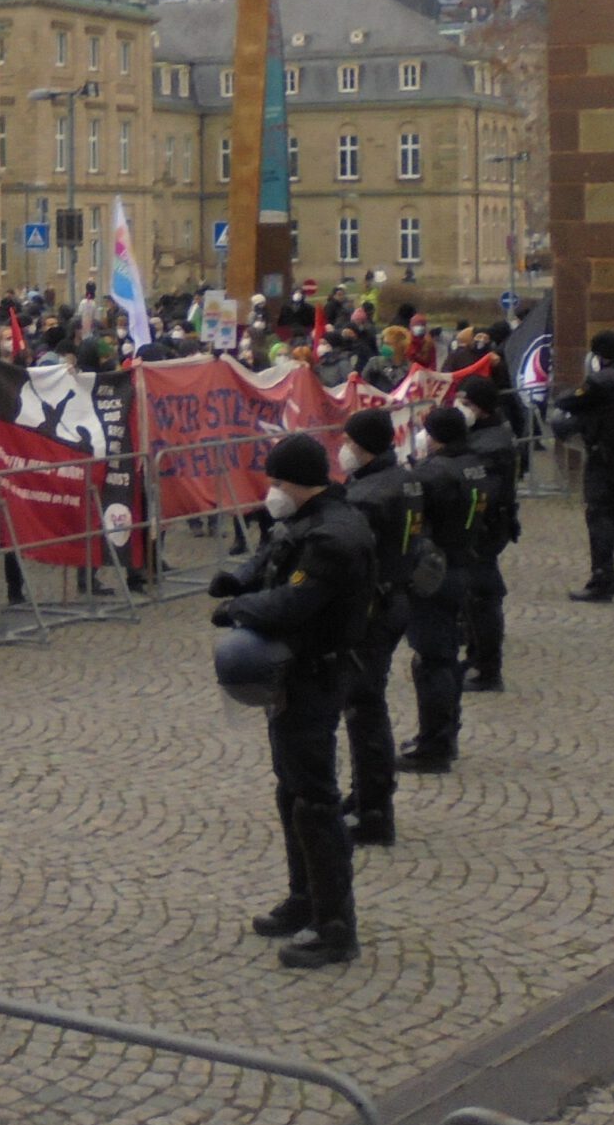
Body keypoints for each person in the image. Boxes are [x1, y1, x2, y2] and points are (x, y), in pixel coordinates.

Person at [210, 434, 375, 971]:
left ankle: (334, 926)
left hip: (317, 674)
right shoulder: (307, 521)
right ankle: (303, 899)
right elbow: (272, 557)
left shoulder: (335, 535)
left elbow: (297, 598)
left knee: (315, 802)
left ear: (297, 481)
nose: (271, 490)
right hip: (295, 675)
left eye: (276, 481)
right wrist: (236, 578)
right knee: (292, 793)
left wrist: (241, 608)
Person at [335, 410, 420, 848]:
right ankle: (365, 795)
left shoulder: (368, 496)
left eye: (347, 439)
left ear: (364, 444)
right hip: (397, 595)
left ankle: (374, 812)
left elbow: (349, 558)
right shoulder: (404, 478)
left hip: (373, 608)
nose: (342, 446)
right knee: (365, 706)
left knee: (364, 710)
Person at [401, 406, 492, 778]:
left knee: (432, 660)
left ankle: (434, 744)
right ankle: (444, 733)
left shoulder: (434, 473)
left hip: (435, 569)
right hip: (463, 562)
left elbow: (415, 517)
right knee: (446, 656)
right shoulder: (475, 463)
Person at [554, 330, 614, 602]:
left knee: (599, 516)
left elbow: (569, 401)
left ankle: (601, 579)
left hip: (603, 458)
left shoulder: (601, 381)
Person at [459, 383, 521, 692]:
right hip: (485, 527)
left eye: (466, 402)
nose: (461, 407)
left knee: (482, 598)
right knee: (473, 597)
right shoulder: (487, 434)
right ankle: (475, 659)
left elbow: (484, 491)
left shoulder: (490, 443)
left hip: (484, 530)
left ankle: (487, 668)